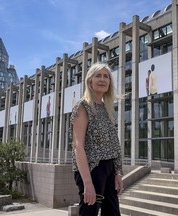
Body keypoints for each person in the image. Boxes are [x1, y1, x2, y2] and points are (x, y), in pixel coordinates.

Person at [70, 62, 123, 216]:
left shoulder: (107, 108)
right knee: (89, 212)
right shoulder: (83, 106)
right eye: (98, 75)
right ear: (90, 81)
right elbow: (78, 147)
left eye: (106, 76)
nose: (102, 79)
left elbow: (114, 144)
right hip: (92, 169)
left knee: (112, 213)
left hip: (109, 168)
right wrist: (87, 183)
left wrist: (118, 172)